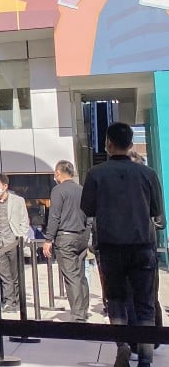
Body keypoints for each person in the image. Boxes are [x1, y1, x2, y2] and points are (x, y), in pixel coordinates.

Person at [82, 122, 164, 367]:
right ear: (130, 144)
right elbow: (158, 212)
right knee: (145, 303)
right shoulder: (147, 174)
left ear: (108, 143)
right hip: (142, 246)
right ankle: (146, 358)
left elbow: (87, 208)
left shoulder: (95, 174)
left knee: (116, 301)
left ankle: (123, 346)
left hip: (111, 246)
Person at [41, 160, 90, 322]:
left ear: (57, 173)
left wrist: (49, 239)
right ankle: (83, 309)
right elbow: (89, 215)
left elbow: (54, 216)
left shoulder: (58, 190)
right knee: (80, 274)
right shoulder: (82, 190)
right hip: (81, 235)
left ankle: (77, 315)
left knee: (71, 276)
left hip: (65, 236)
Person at [0, 173, 30, 312]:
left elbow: (24, 220)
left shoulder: (18, 201)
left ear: (5, 186)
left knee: (15, 274)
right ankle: (9, 302)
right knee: (4, 275)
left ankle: (17, 301)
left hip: (13, 241)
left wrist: (22, 236)